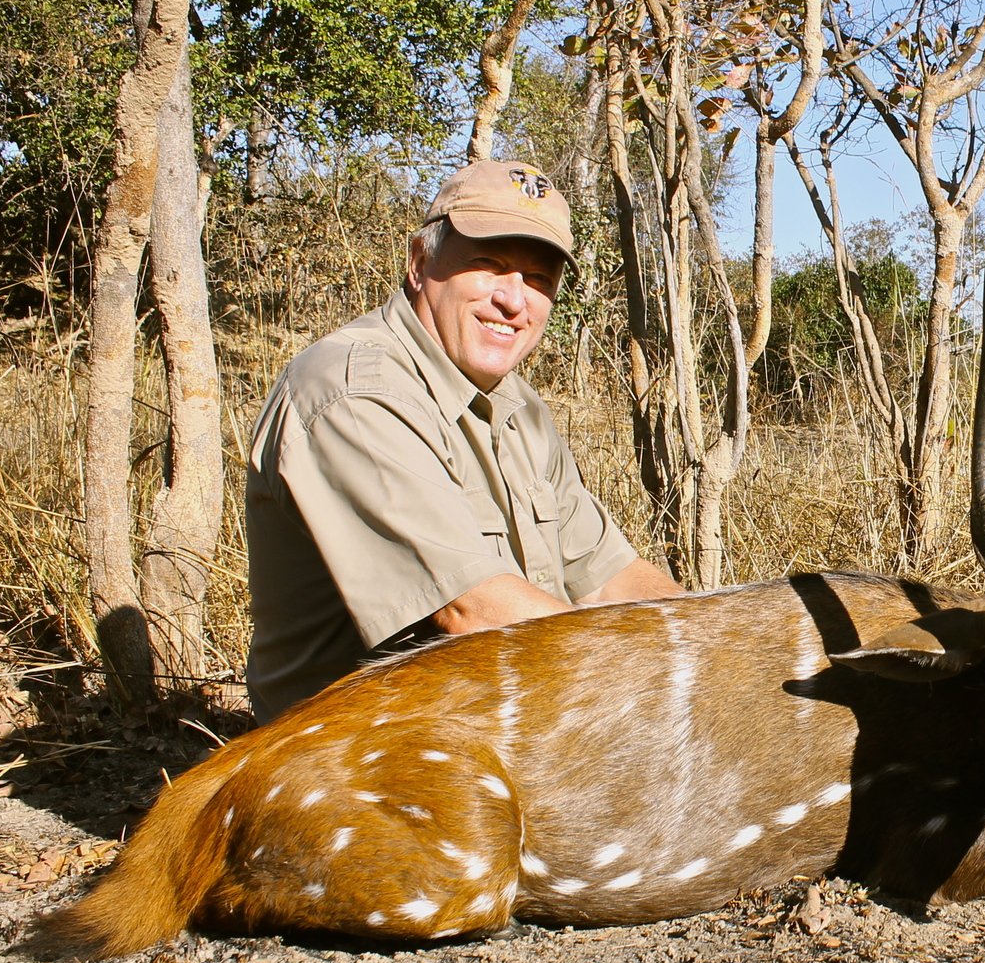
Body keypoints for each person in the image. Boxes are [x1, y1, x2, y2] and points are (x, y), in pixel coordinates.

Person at [244, 159, 680, 722]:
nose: (514, 300)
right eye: (488, 265)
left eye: (540, 279)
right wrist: (674, 675)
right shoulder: (351, 389)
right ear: (419, 262)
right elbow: (471, 611)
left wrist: (728, 647)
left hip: (482, 725)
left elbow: (609, 578)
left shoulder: (518, 405)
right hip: (357, 763)